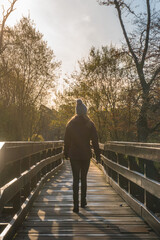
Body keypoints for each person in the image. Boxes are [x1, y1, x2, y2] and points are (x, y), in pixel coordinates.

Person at [64, 99, 100, 213]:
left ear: (76, 111)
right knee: (83, 178)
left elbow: (66, 141)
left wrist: (65, 152)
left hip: (74, 155)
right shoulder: (90, 124)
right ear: (85, 111)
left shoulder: (70, 124)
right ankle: (83, 201)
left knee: (75, 179)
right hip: (85, 155)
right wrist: (98, 155)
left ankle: (75, 206)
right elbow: (95, 141)